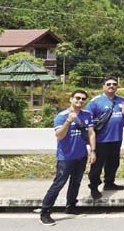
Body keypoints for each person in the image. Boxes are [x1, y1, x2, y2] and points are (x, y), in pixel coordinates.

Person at [39, 90, 96, 226]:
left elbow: (91, 133)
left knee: (76, 182)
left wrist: (93, 151)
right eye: (77, 98)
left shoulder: (87, 115)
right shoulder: (62, 116)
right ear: (71, 99)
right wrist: (68, 121)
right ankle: (45, 212)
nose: (80, 101)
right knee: (59, 184)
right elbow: (59, 135)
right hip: (65, 157)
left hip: (81, 155)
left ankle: (71, 206)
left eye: (83, 99)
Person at [86, 76, 124, 199]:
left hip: (116, 138)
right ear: (103, 86)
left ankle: (109, 183)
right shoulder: (95, 102)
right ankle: (94, 187)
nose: (111, 86)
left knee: (113, 163)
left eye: (114, 84)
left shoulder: (122, 100)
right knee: (97, 165)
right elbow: (88, 120)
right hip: (101, 139)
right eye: (108, 84)